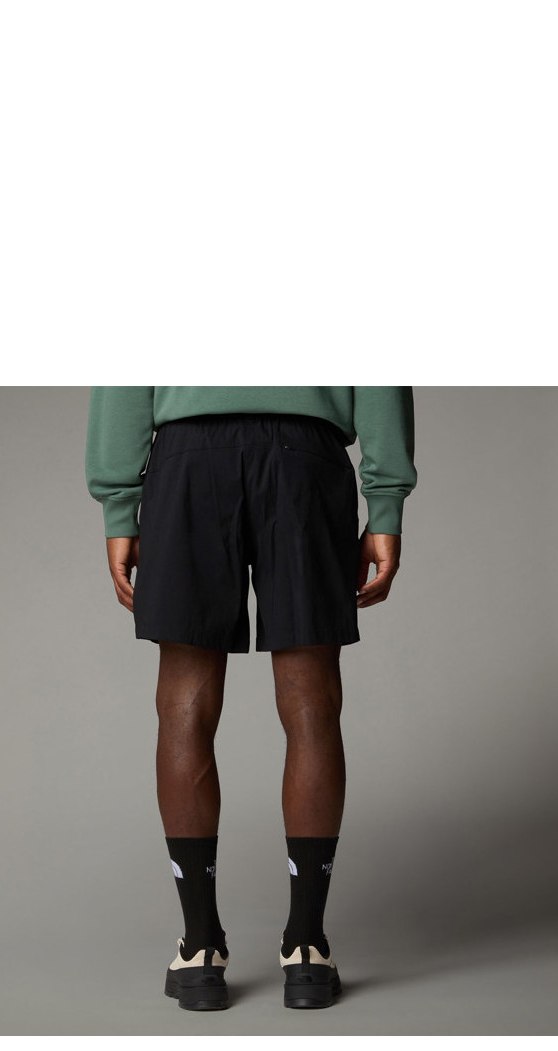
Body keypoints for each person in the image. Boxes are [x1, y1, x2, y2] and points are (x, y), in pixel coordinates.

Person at [85, 387, 418, 1011]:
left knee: (184, 700)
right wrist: (385, 504)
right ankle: (307, 950)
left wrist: (118, 508)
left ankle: (200, 951)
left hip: (188, 460)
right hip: (306, 460)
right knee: (311, 702)